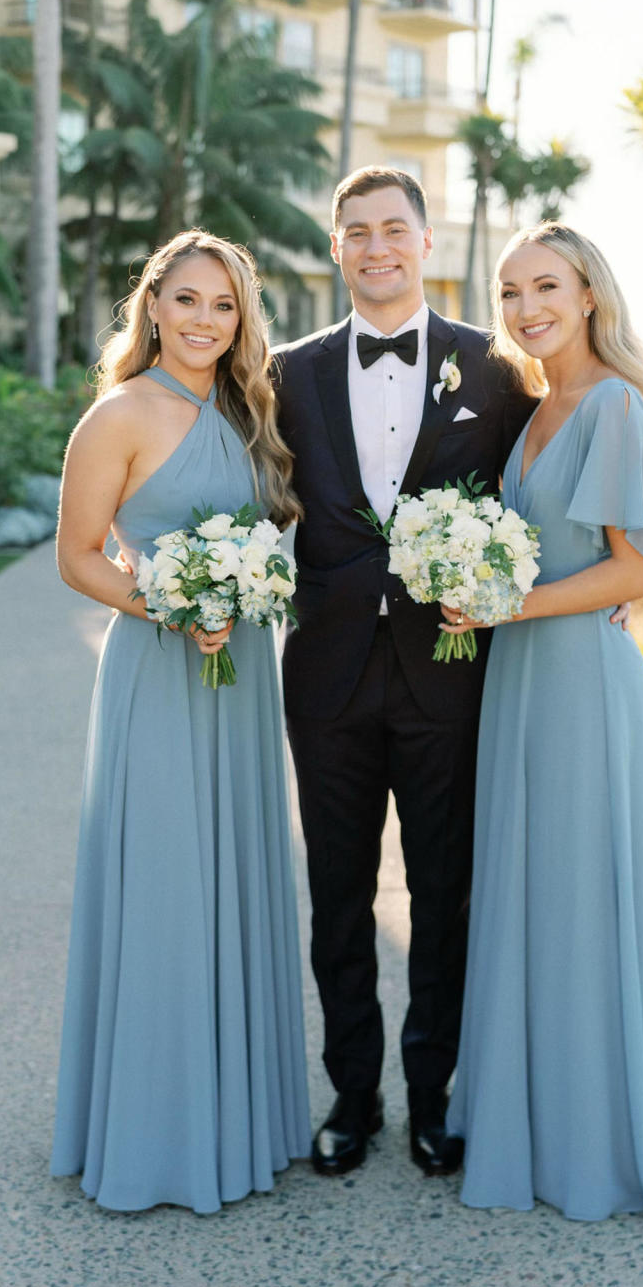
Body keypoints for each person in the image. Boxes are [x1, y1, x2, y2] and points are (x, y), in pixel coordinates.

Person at [273, 165, 537, 1179]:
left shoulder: (498, 368)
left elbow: (538, 491)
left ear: (426, 241)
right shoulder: (285, 371)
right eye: (356, 232)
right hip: (328, 675)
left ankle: (433, 1101)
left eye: (394, 228)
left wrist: (613, 572)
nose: (376, 246)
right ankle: (353, 1100)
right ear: (336, 248)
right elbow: (237, 478)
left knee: (445, 895)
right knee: (337, 897)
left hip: (449, 670)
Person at [50, 229, 311, 1213]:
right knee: (164, 882)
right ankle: (154, 1133)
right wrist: (170, 605)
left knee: (232, 873)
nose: (207, 320)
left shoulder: (252, 413)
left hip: (241, 676)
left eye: (226, 305)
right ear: (153, 303)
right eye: (189, 299)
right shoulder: (118, 416)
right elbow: (78, 556)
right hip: (158, 672)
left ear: (242, 320)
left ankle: (238, 1116)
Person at [443, 222, 643, 1222]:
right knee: (526, 890)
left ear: (589, 291)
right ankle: (527, 1121)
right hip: (520, 676)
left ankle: (590, 1144)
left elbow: (637, 570)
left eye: (544, 286)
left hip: (580, 684)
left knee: (578, 899)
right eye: (508, 293)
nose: (524, 308)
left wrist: (510, 604)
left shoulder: (615, 407)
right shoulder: (540, 406)